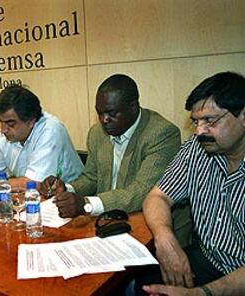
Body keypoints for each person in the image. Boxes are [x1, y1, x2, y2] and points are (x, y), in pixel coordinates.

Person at [136, 72, 245, 295]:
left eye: (210, 120)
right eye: (196, 121)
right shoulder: (197, 148)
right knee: (141, 284)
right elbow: (157, 196)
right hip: (209, 258)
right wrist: (164, 237)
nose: (199, 131)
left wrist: (202, 293)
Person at [42, 74, 188, 238]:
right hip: (108, 223)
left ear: (133, 106)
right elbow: (91, 177)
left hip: (154, 228)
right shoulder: (97, 133)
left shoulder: (161, 134)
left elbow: (142, 192)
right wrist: (67, 189)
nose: (104, 120)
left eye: (112, 113)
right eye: (100, 113)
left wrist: (87, 205)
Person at [0, 85, 83, 189]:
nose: (3, 130)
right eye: (1, 122)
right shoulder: (5, 133)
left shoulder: (50, 130)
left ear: (31, 121)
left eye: (11, 123)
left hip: (71, 200)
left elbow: (35, 184)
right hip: (30, 200)